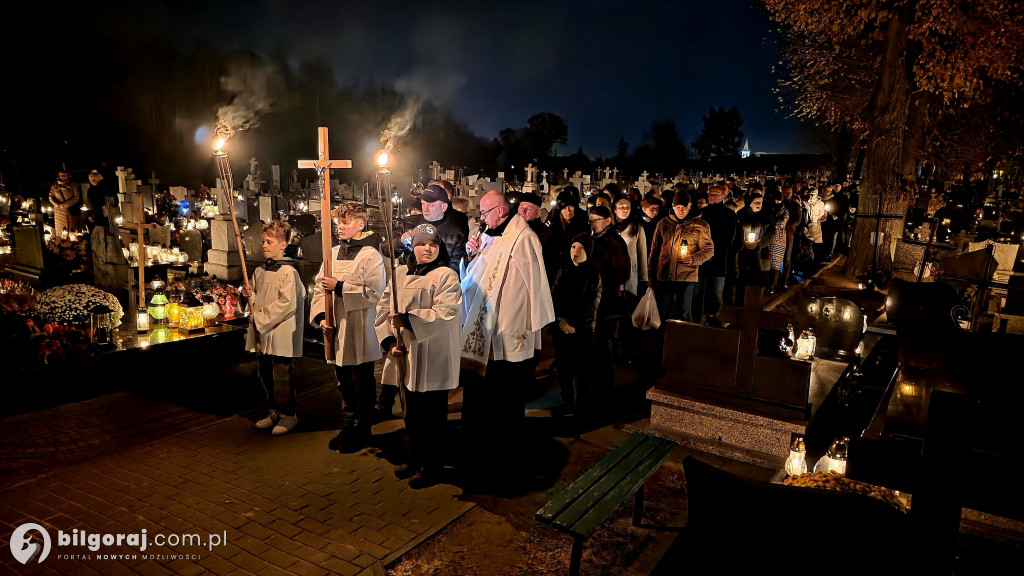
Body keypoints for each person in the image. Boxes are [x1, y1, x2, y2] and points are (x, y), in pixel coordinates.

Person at [459, 188, 555, 489]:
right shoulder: (490, 234)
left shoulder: (524, 238)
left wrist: (533, 328)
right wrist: (471, 253)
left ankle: (506, 465)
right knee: (481, 401)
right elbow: (475, 274)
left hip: (508, 331)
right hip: (483, 333)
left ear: (500, 210)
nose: (481, 218)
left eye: (485, 213)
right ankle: (480, 458)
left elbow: (536, 284)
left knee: (506, 404)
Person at [375, 223, 463, 489]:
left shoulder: (446, 276)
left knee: (432, 416)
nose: (427, 249)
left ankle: (432, 465)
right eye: (422, 244)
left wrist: (409, 321)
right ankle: (416, 458)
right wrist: (390, 339)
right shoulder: (400, 273)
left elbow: (446, 313)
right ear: (413, 246)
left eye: (433, 245)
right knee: (411, 414)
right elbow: (384, 306)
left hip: (432, 354)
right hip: (406, 354)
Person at [310, 202, 387, 453]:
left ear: (360, 224)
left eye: (345, 223)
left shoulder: (370, 255)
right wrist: (322, 317)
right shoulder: (331, 253)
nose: (339, 228)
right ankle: (348, 423)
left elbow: (376, 293)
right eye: (337, 223)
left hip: (360, 326)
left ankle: (363, 428)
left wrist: (341, 287)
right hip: (337, 326)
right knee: (342, 381)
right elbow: (319, 288)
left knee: (360, 381)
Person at [242, 219, 307, 435]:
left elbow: (287, 303)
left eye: (269, 241)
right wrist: (250, 296)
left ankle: (289, 414)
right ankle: (273, 411)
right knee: (265, 372)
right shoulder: (260, 272)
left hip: (280, 330)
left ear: (283, 244)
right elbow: (258, 298)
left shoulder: (289, 272)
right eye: (263, 241)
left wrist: (261, 318)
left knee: (281, 374)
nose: (264, 245)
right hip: (263, 329)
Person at [550, 233, 601, 418]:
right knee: (564, 368)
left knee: (583, 370)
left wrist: (573, 323)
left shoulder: (593, 274)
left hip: (583, 328)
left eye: (581, 248)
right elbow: (553, 295)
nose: (576, 252)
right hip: (562, 326)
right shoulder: (563, 270)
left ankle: (582, 405)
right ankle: (567, 402)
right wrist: (561, 320)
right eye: (573, 247)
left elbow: (591, 304)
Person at [587, 204, 631, 406]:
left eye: (596, 220)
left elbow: (623, 272)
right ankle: (594, 388)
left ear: (607, 221)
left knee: (601, 349)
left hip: (607, 302)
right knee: (592, 349)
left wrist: (599, 278)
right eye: (591, 220)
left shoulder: (615, 242)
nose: (593, 224)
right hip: (592, 300)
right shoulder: (592, 240)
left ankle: (605, 392)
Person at [648, 190, 713, 323]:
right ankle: (664, 338)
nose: (680, 211)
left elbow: (708, 249)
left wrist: (694, 258)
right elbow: (654, 250)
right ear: (672, 206)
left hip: (686, 274)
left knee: (683, 310)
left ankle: (684, 338)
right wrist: (650, 274)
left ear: (690, 205)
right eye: (677, 207)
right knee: (664, 310)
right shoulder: (663, 223)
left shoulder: (700, 225)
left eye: (683, 208)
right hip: (665, 273)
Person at [694, 184, 737, 326]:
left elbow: (729, 237)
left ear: (723, 196)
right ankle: (697, 316)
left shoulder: (729, 214)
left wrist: (713, 249)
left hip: (719, 258)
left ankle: (716, 317)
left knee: (716, 291)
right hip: (701, 258)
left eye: (716, 194)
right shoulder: (702, 212)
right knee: (698, 290)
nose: (712, 196)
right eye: (710, 194)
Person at [402, 183, 467, 274]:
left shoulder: (456, 233)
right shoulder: (410, 222)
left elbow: (455, 268)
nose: (425, 209)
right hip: (410, 281)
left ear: (444, 207)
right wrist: (401, 242)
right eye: (423, 204)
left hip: (438, 282)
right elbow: (388, 250)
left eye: (431, 205)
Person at [546, 187, 590, 286]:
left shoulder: (583, 223)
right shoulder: (553, 223)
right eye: (564, 208)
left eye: (571, 206)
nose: (568, 211)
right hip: (556, 269)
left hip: (576, 269)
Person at [49, 170, 81, 236]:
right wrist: (58, 205)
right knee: (61, 230)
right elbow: (51, 198)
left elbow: (76, 197)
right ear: (58, 176)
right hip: (59, 211)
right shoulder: (54, 186)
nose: (63, 177)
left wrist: (67, 204)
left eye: (65, 175)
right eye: (61, 175)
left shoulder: (73, 185)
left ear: (68, 176)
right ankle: (61, 243)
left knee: (72, 230)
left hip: (71, 209)